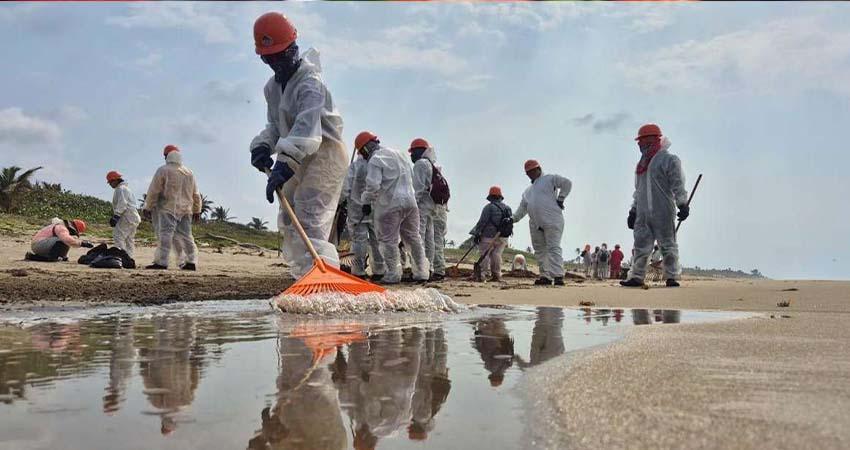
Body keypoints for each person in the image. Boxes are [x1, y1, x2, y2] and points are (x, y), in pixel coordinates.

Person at [249, 12, 348, 278]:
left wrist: (285, 162)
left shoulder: (310, 84)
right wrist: (262, 145)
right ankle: (306, 277)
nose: (275, 63)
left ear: (293, 48)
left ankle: (323, 281)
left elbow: (307, 128)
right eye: (269, 58)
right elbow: (276, 126)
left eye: (280, 55)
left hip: (325, 155)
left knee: (310, 217)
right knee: (289, 218)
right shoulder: (272, 88)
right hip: (296, 156)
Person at [622, 124, 689, 288]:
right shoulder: (641, 165)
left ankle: (671, 276)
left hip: (663, 210)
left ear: (653, 140)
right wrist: (633, 210)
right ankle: (636, 276)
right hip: (643, 213)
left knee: (667, 244)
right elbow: (639, 190)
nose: (640, 145)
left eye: (643, 142)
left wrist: (682, 204)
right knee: (640, 245)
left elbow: (678, 184)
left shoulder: (669, 160)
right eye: (639, 143)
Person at [356, 131, 429, 284]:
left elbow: (373, 186)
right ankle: (421, 273)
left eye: (362, 153)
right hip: (411, 203)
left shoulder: (375, 160)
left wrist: (366, 202)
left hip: (390, 206)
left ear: (366, 149)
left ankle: (393, 274)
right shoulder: (399, 154)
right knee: (413, 238)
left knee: (388, 240)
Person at [512, 160, 572, 286]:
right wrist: (512, 219)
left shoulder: (549, 179)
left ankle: (558, 276)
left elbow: (567, 183)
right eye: (528, 172)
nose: (531, 174)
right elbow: (522, 209)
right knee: (540, 250)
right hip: (535, 224)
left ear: (539, 169)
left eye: (532, 171)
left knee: (553, 248)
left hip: (552, 219)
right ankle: (545, 276)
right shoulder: (528, 191)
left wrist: (561, 199)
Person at [142, 145, 201, 271]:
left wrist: (148, 206)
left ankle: (162, 262)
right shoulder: (189, 172)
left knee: (165, 235)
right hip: (186, 210)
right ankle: (191, 261)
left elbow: (154, 190)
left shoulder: (163, 170)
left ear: (166, 156)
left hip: (167, 208)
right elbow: (196, 194)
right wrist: (197, 210)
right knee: (187, 236)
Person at [340, 153, 386, 281]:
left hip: (357, 210)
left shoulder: (354, 167)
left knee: (359, 241)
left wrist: (340, 202)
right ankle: (379, 270)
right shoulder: (377, 166)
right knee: (376, 240)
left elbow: (345, 188)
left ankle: (358, 271)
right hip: (375, 208)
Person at [409, 138, 449, 281]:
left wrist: (412, 206)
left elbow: (418, 189)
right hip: (433, 207)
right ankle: (430, 268)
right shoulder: (431, 165)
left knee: (418, 237)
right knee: (429, 239)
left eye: (412, 152)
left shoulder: (420, 164)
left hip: (423, 206)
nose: (411, 155)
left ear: (419, 151)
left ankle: (420, 271)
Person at [469, 186, 512, 282]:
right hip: (503, 237)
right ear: (500, 197)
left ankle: (482, 274)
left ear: (491, 197)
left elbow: (482, 222)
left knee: (485, 254)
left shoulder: (488, 207)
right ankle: (496, 275)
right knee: (497, 254)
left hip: (488, 236)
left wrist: (477, 234)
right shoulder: (508, 208)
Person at [106, 171, 141, 259]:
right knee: (129, 239)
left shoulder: (120, 189)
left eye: (110, 182)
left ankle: (121, 258)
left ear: (115, 180)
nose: (110, 184)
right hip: (133, 218)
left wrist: (116, 216)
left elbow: (122, 203)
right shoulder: (126, 189)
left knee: (118, 237)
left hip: (127, 218)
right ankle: (129, 258)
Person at [29, 218, 93, 261]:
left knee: (65, 240)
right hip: (38, 244)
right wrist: (81, 243)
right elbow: (67, 240)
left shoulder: (60, 226)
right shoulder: (61, 228)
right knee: (63, 240)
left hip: (40, 244)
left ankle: (55, 257)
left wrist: (64, 256)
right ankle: (50, 258)